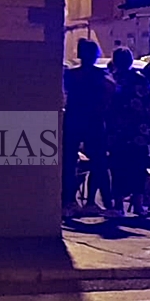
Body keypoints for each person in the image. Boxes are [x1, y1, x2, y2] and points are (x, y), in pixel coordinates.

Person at [61, 39, 115, 219]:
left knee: (69, 163)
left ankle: (67, 202)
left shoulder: (70, 75)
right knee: (100, 163)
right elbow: (112, 92)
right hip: (94, 121)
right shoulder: (101, 76)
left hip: (73, 119)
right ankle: (107, 204)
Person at [106, 48, 150, 218]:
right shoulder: (140, 80)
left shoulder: (110, 80)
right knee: (138, 167)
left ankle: (118, 205)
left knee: (117, 167)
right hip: (138, 132)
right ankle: (138, 205)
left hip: (116, 133)